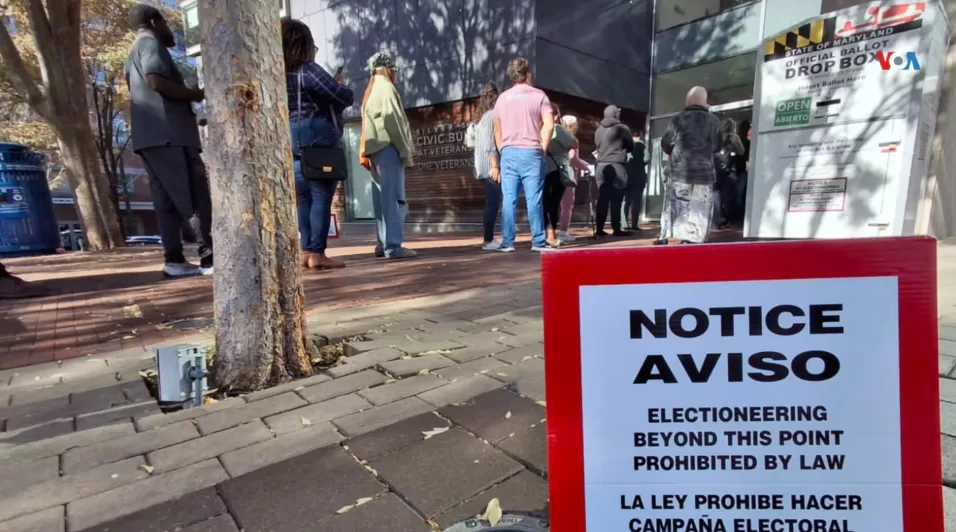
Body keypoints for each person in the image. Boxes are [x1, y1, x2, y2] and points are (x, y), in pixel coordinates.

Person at [125, 4, 212, 277]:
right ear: (154, 21)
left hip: (149, 140)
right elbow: (156, 82)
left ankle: (174, 259)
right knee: (193, 195)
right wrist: (193, 94)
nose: (170, 31)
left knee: (166, 203)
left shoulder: (131, 54)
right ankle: (209, 258)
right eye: (167, 23)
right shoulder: (151, 44)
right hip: (171, 136)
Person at [281, 19, 353, 270]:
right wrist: (341, 85)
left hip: (293, 139)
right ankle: (317, 253)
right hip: (318, 136)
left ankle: (305, 251)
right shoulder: (308, 70)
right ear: (303, 44)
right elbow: (343, 95)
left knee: (304, 198)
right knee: (322, 195)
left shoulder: (277, 74)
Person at [359, 52, 417, 260]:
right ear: (387, 68)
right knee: (394, 199)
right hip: (388, 148)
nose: (395, 75)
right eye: (393, 70)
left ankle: (383, 243)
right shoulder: (385, 87)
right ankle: (393, 246)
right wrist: (405, 151)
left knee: (382, 201)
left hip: (376, 151)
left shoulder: (372, 88)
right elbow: (393, 122)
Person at [493, 57, 554, 253]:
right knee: (534, 198)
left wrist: (503, 148)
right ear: (528, 74)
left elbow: (496, 128)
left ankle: (507, 242)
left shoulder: (502, 98)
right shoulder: (539, 96)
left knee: (509, 197)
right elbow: (549, 124)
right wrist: (542, 147)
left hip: (509, 151)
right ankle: (537, 241)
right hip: (531, 151)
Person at [660, 86, 722, 244]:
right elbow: (717, 146)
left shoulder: (678, 118)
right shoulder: (714, 121)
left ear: (687, 100)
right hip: (704, 174)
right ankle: (693, 240)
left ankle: (669, 236)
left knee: (678, 205)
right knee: (699, 209)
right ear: (705, 101)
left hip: (681, 172)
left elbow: (666, 143)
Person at [469, 82, 503, 251]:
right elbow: (490, 144)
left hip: (481, 166)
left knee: (492, 202)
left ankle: (489, 239)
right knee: (493, 203)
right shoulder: (491, 116)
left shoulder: (481, 118)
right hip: (490, 166)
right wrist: (495, 165)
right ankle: (488, 240)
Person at [593, 105, 633, 237]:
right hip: (616, 165)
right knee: (617, 198)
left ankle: (599, 229)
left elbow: (597, 146)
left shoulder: (598, 130)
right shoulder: (622, 129)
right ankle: (616, 228)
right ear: (615, 115)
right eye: (618, 113)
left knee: (602, 199)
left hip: (600, 166)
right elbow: (630, 146)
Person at [543, 105, 578, 247]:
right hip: (558, 170)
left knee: (543, 203)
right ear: (556, 115)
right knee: (554, 203)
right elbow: (574, 143)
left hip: (542, 169)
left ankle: (544, 233)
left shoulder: (538, 128)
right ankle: (551, 235)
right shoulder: (558, 129)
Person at [557, 116, 590, 243]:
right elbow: (572, 158)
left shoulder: (555, 136)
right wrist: (585, 167)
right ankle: (563, 231)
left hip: (555, 171)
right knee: (567, 204)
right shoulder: (571, 139)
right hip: (568, 174)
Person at [713, 118, 746, 228]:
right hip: (729, 171)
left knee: (716, 195)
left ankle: (716, 221)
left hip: (716, 170)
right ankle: (731, 221)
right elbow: (741, 151)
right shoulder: (733, 137)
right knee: (730, 197)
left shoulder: (716, 138)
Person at [624, 131, 648, 231]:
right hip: (639, 177)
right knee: (636, 202)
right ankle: (634, 224)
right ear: (640, 136)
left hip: (626, 176)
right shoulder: (643, 146)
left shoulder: (625, 146)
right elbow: (647, 159)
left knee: (626, 201)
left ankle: (624, 224)